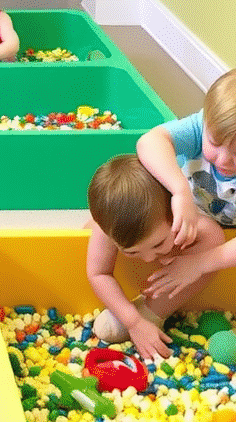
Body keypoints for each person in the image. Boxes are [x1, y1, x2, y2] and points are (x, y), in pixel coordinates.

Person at [134, 64, 236, 316]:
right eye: (213, 143)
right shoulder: (205, 125)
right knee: (121, 204)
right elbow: (150, 142)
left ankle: (150, 313)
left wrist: (200, 264)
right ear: (206, 119)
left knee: (211, 237)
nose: (223, 160)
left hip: (230, 241)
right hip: (185, 215)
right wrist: (180, 192)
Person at [86, 153, 226, 361]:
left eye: (158, 244)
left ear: (174, 213)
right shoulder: (107, 229)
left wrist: (189, 262)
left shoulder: (186, 222)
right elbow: (98, 273)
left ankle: (153, 312)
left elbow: (214, 236)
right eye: (131, 251)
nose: (149, 259)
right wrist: (133, 322)